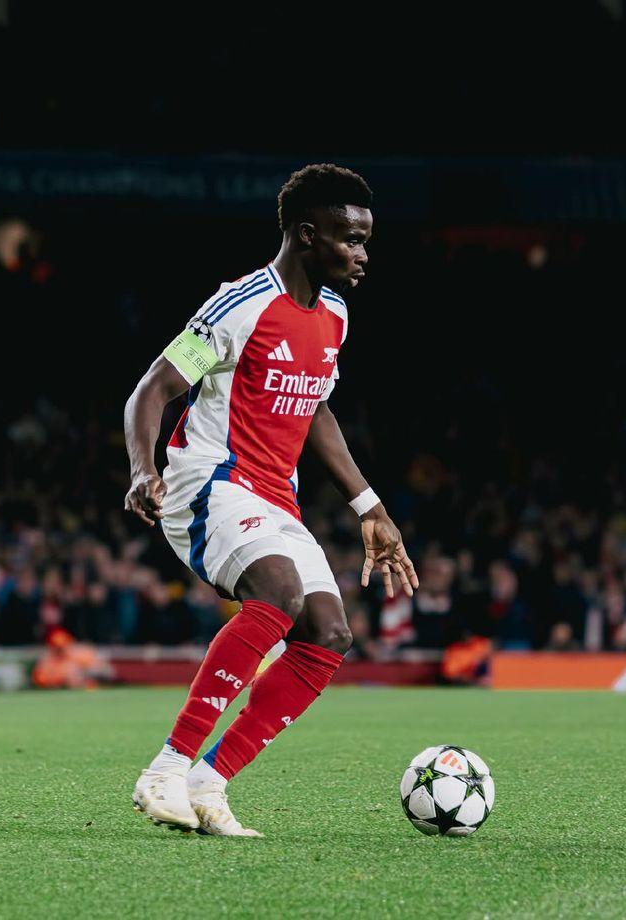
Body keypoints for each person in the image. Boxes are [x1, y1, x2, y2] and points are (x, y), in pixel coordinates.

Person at [124, 163, 419, 837]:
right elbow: (153, 387)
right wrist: (144, 471)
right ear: (308, 235)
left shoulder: (335, 315)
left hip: (273, 499)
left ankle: (208, 781)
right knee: (279, 592)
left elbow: (315, 410)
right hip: (208, 481)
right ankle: (165, 769)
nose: (363, 255)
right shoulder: (242, 303)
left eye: (367, 240)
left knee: (329, 634)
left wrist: (368, 505)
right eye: (352, 240)